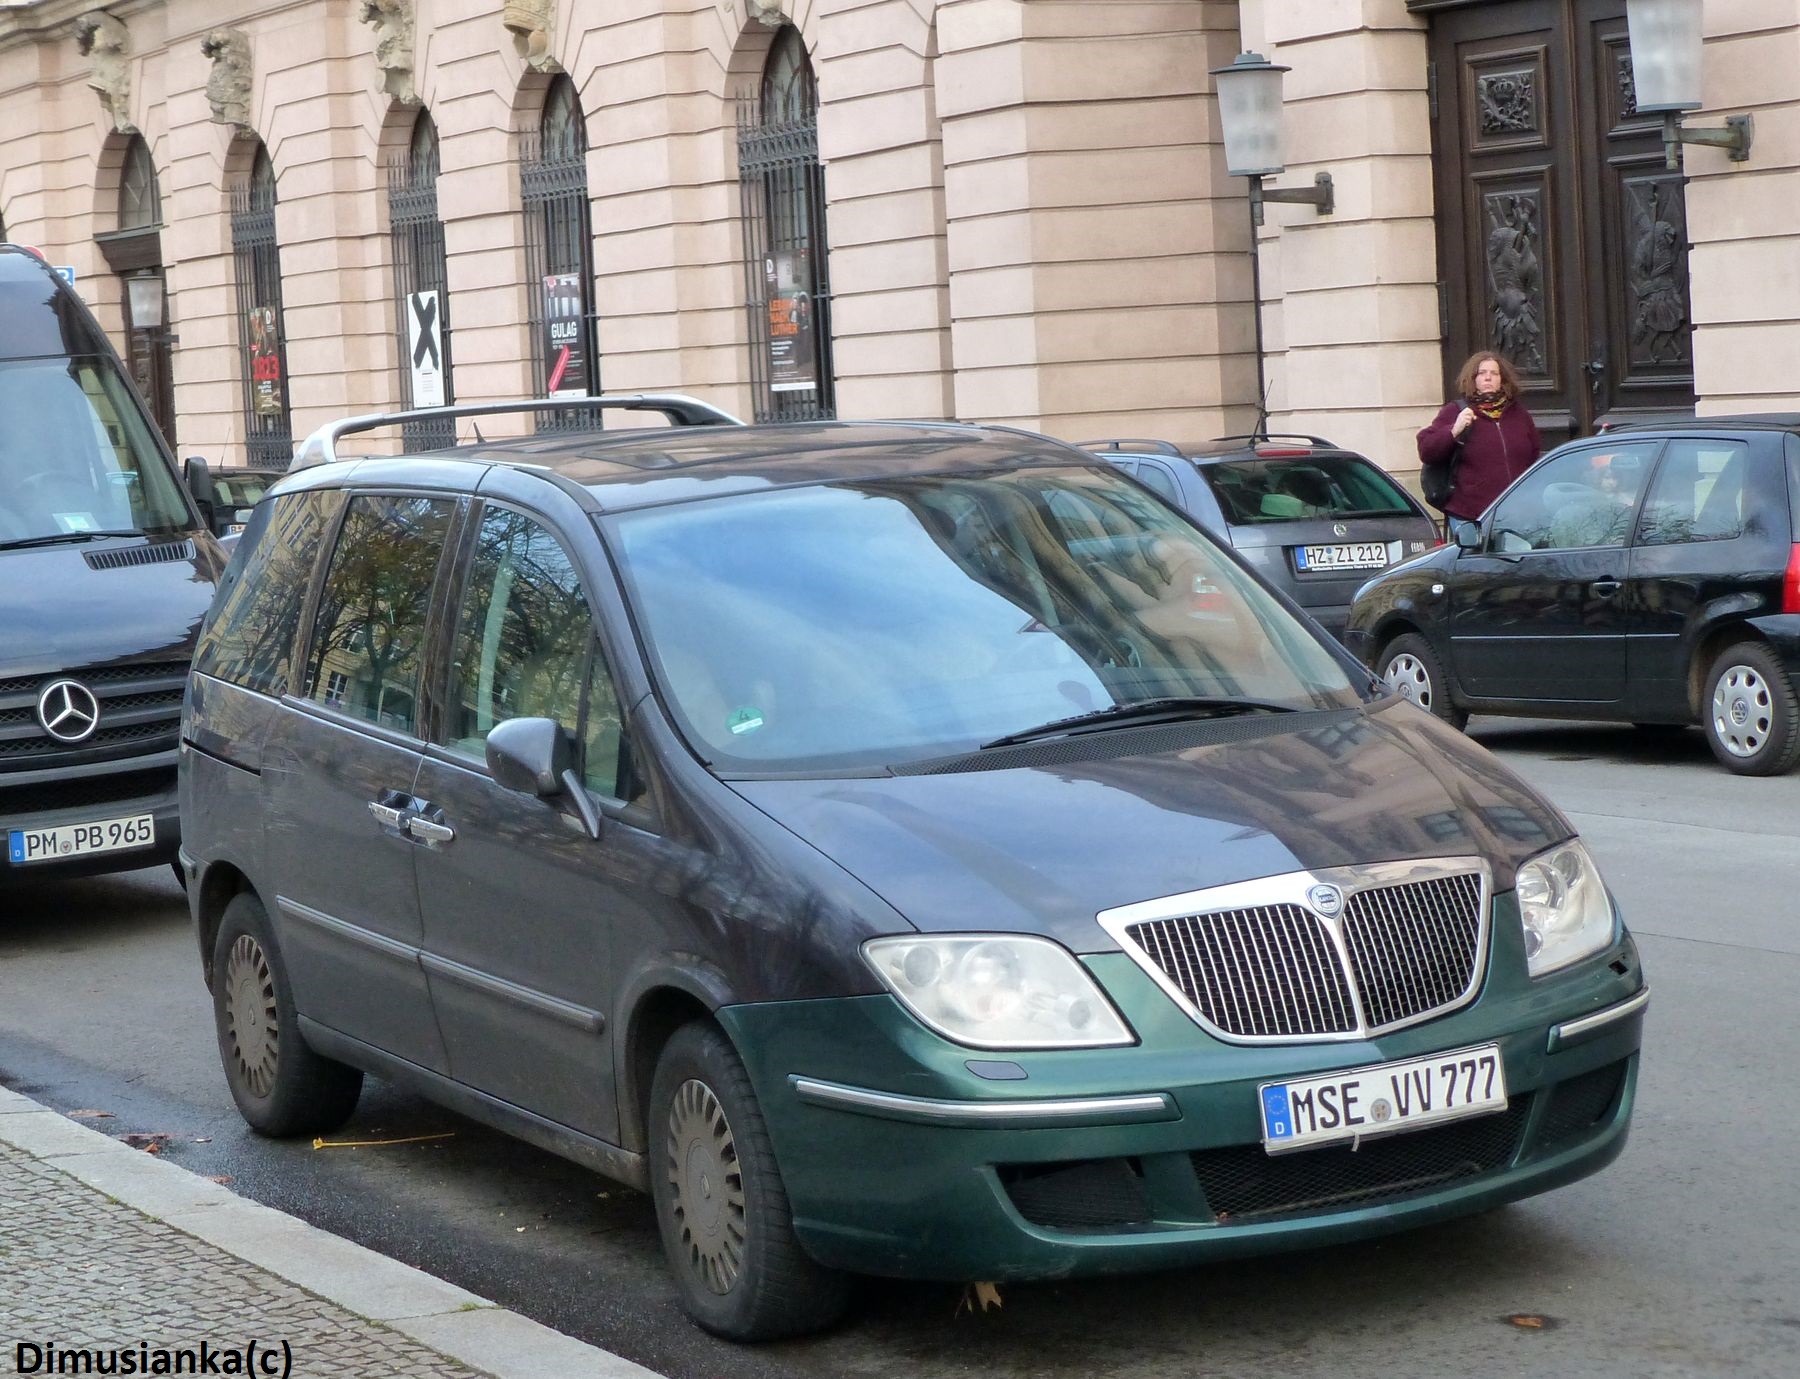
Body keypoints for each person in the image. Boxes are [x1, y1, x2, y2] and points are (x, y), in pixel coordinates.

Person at [1418, 351, 1542, 543]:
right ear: (1473, 379)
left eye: (1494, 373)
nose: (1488, 377)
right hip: (1471, 517)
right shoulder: (1456, 411)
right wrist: (1454, 430)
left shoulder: (1519, 414)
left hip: (1516, 515)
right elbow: (1427, 450)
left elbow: (1534, 458)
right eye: (1482, 373)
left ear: (1502, 379)